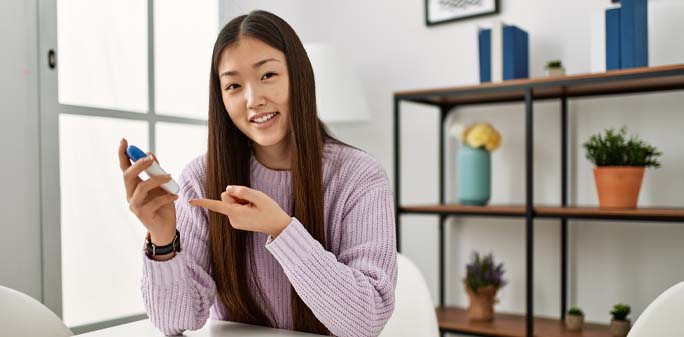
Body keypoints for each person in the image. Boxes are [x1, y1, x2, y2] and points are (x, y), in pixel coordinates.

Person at [117, 10, 396, 337]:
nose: (253, 100)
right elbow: (176, 321)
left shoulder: (359, 177)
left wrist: (281, 229)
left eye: (268, 76)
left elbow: (366, 321)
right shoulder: (202, 178)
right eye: (234, 85)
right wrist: (163, 240)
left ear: (299, 76)